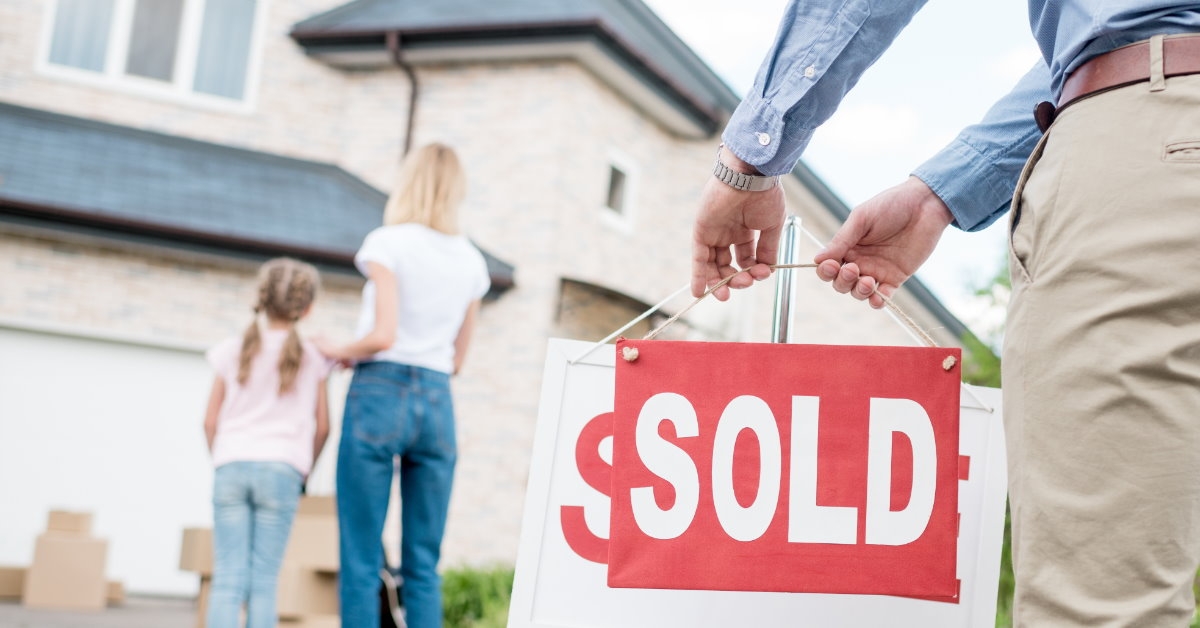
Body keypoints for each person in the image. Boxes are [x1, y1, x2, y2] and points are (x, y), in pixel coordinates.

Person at [692, 3, 1200, 625]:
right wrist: (941, 192)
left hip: (1156, 150)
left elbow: (1133, 34)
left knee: (1105, 605)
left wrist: (748, 159)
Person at [316, 143, 490, 628]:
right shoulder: (472, 262)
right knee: (423, 563)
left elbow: (383, 335)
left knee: (361, 555)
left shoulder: (387, 243)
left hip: (379, 392)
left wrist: (338, 347)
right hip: (437, 401)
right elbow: (457, 359)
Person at [202, 257, 332, 628]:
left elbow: (210, 420)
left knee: (227, 578)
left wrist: (223, 457)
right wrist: (303, 471)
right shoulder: (313, 356)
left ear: (260, 298)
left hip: (231, 464)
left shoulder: (231, 349)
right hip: (282, 468)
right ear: (307, 309)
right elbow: (323, 427)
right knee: (264, 581)